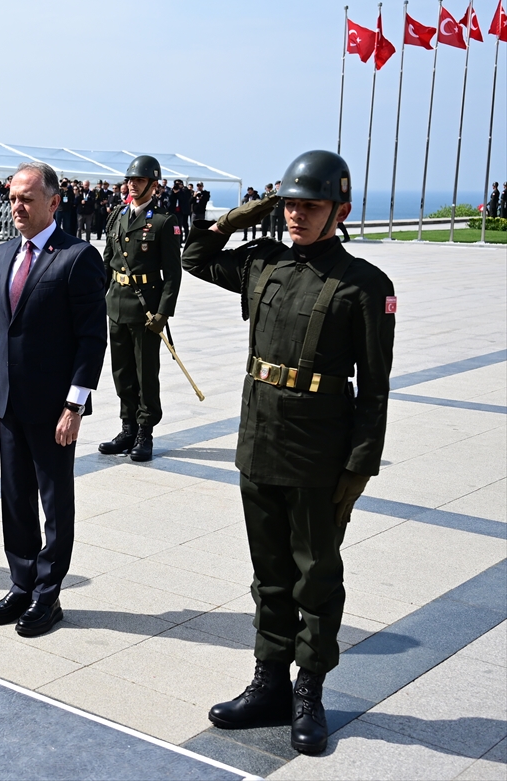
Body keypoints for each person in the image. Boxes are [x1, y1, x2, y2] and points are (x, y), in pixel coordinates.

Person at [182, 150, 394, 756]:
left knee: (316, 578)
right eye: (292, 204)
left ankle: (309, 692)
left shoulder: (365, 286)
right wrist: (241, 214)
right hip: (260, 442)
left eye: (312, 205)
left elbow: (374, 388)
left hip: (317, 454)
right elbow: (195, 257)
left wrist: (358, 465)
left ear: (340, 211)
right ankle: (268, 683)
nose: (298, 215)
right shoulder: (263, 263)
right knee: (269, 574)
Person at [0, 161, 108, 637]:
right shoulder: (1, 255)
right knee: (15, 500)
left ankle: (48, 594)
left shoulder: (76, 257)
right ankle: (21, 584)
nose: (18, 205)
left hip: (55, 408)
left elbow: (92, 338)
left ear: (53, 202)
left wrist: (74, 406)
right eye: (13, 197)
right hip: (11, 405)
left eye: (27, 198)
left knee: (55, 504)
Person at [96, 156, 182, 463]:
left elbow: (173, 273)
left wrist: (163, 313)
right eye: (130, 180)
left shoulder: (163, 222)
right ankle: (127, 428)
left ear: (153, 185)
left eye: (140, 181)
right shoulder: (117, 216)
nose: (132, 184)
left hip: (146, 309)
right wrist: (97, 298)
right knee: (121, 371)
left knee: (146, 373)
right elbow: (107, 262)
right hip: (116, 304)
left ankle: (145, 431)